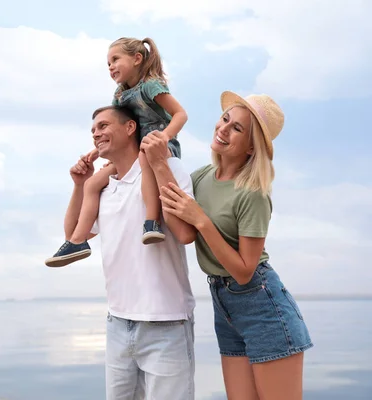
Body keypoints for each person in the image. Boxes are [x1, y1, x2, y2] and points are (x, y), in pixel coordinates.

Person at [159, 91, 313, 399]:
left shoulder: (252, 193)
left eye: (237, 128)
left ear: (252, 146)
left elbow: (244, 271)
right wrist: (156, 163)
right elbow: (183, 232)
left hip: (262, 306)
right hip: (223, 303)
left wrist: (202, 220)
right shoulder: (201, 177)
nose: (223, 129)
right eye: (225, 119)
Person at [55, 104, 196, 399]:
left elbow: (185, 233)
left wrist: (159, 164)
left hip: (166, 321)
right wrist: (80, 185)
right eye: (93, 129)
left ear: (130, 127)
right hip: (117, 323)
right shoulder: (103, 186)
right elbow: (73, 236)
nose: (96, 133)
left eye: (104, 126)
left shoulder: (170, 167)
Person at [45, 37, 188, 268]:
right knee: (92, 184)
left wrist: (164, 137)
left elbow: (180, 114)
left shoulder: (151, 85)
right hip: (137, 149)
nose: (110, 67)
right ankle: (78, 241)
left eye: (115, 60)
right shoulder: (120, 94)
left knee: (145, 157)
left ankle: (151, 222)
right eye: (107, 64)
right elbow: (117, 125)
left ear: (137, 58)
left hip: (159, 144)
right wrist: (95, 152)